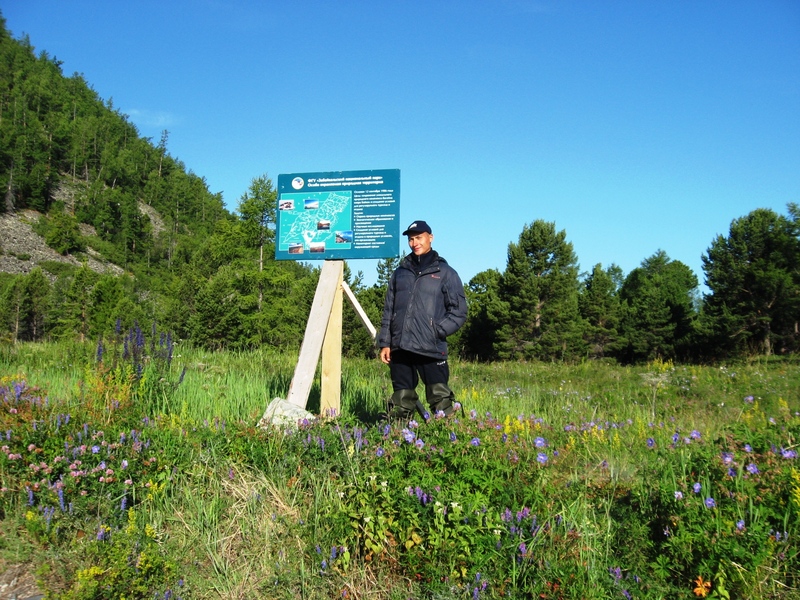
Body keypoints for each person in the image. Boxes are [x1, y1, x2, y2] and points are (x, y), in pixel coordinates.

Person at [378, 220, 467, 420]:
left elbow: (459, 312)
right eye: (411, 239)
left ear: (430, 238)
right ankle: (397, 442)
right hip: (400, 348)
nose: (414, 243)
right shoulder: (399, 273)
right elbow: (389, 310)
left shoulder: (446, 273)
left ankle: (449, 443)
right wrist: (385, 343)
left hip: (431, 348)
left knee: (441, 401)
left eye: (419, 238)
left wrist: (436, 330)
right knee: (401, 402)